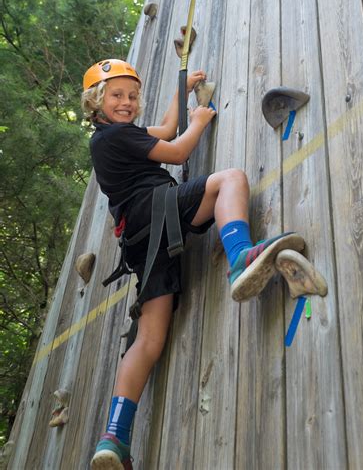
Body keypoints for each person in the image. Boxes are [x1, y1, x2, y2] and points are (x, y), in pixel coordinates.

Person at [81, 58, 305, 470]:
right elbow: (178, 147)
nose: (127, 102)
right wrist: (200, 119)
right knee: (232, 179)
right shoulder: (114, 137)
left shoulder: (113, 138)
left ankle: (114, 438)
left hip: (143, 241)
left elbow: (164, 132)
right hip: (157, 209)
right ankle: (240, 257)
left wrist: (181, 96)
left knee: (148, 340)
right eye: (117, 96)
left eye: (132, 96)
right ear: (96, 102)